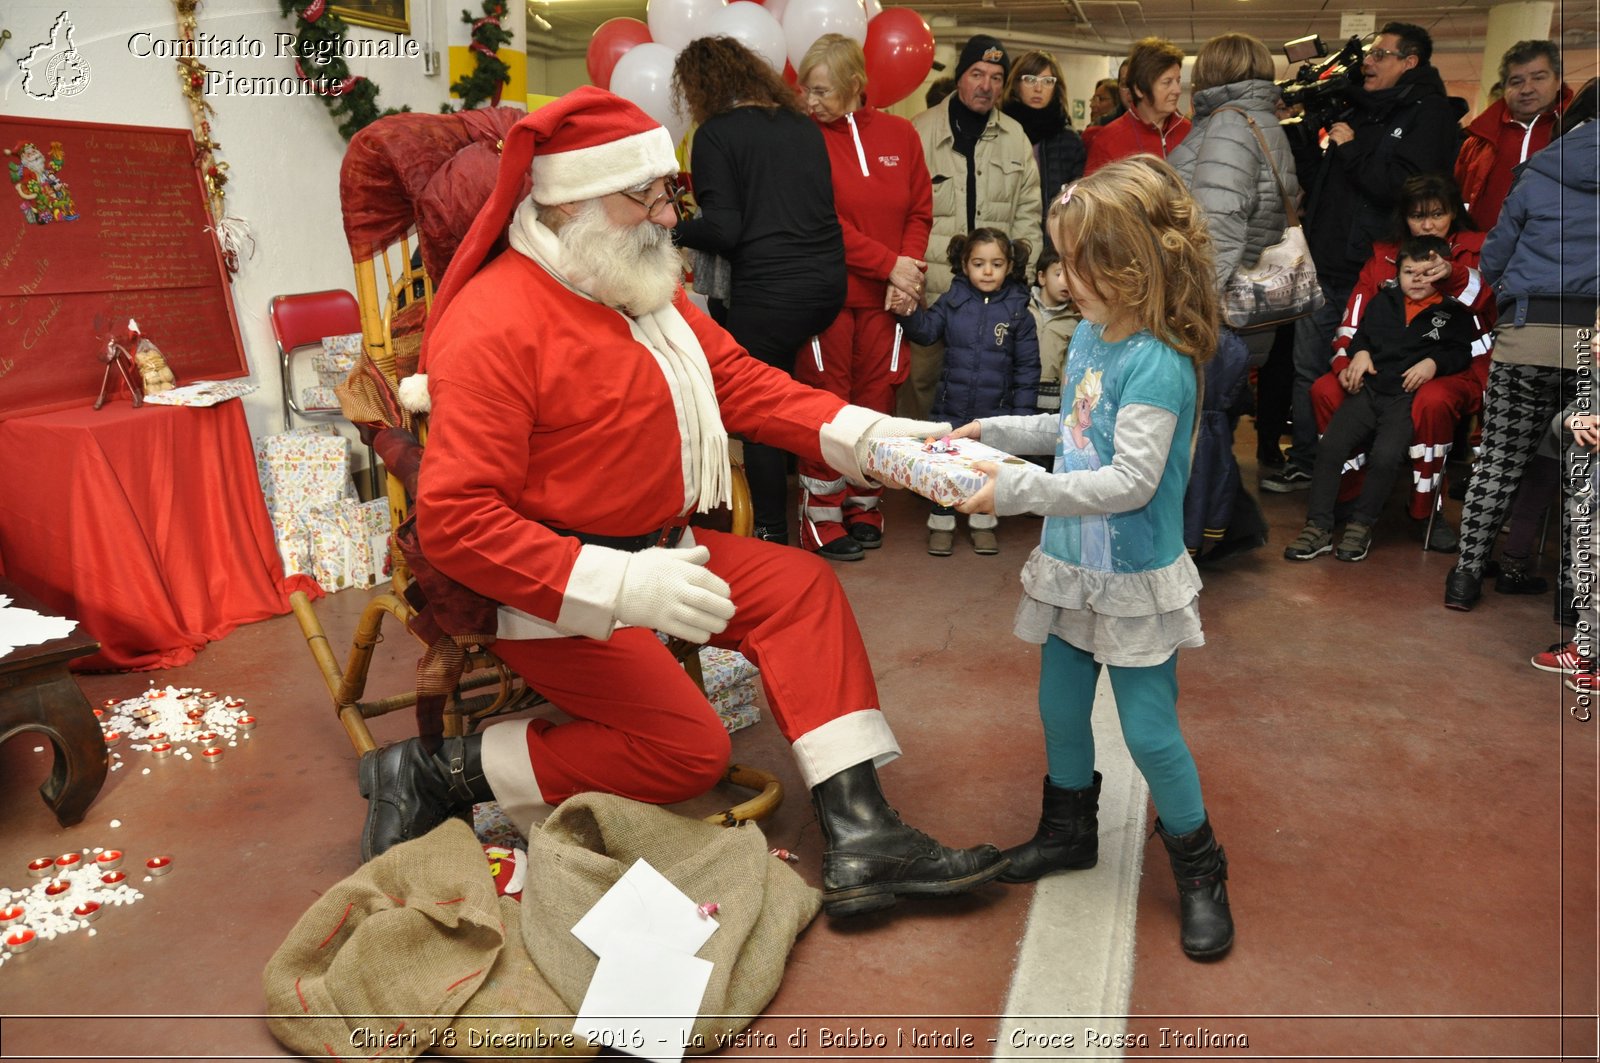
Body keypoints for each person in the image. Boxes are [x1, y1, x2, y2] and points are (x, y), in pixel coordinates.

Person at [359, 87, 1011, 920]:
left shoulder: (634, 287)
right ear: (570, 202)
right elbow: (458, 522)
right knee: (686, 750)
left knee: (802, 590)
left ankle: (863, 835)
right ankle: (437, 768)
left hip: (662, 548)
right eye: (651, 195)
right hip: (551, 587)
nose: (672, 216)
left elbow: (740, 383)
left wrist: (879, 439)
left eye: (673, 193)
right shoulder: (493, 323)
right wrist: (623, 588)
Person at [948, 157, 1232, 960]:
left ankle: (1202, 869)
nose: (1061, 277)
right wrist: (993, 433)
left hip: (1133, 575)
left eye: (1077, 262)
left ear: (1130, 269)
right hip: (1072, 564)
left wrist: (1012, 492)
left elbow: (1129, 482)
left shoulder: (1160, 361)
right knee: (1060, 709)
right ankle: (1068, 832)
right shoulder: (1093, 339)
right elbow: (1072, 433)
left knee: (1149, 733)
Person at [1272, 22, 1463, 495]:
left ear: (1409, 61)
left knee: (1370, 374)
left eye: (1381, 55)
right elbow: (1322, 181)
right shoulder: (1363, 111)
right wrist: (1305, 129)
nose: (1368, 63)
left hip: (1374, 271)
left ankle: (1354, 472)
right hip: (1324, 259)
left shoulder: (1428, 115)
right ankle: (1306, 460)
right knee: (1308, 368)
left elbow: (1397, 190)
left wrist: (1352, 147)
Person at [670, 37, 846, 546]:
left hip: (772, 290)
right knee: (784, 387)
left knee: (758, 409)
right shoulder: (800, 125)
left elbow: (724, 229)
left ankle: (771, 530)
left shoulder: (716, 134)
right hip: (825, 284)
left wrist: (673, 230)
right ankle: (802, 516)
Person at [1446, 82, 1600, 612]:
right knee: (1584, 473)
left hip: (1524, 340)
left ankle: (1463, 581)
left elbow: (1493, 259)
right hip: (1595, 352)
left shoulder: (1536, 172)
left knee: (1499, 462)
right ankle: (1571, 596)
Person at [793, 34, 933, 561]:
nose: (810, 100)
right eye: (806, 89)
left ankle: (864, 503)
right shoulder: (803, 141)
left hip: (889, 301)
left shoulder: (900, 134)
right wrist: (889, 266)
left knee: (878, 401)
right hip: (829, 298)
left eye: (822, 90)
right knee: (828, 404)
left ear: (855, 86)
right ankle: (821, 519)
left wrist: (907, 277)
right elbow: (821, 223)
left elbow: (919, 211)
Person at [1306, 175, 1494, 551]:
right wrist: (1350, 364)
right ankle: (1349, 491)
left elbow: (1486, 316)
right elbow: (1354, 323)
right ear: (1403, 218)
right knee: (1326, 387)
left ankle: (1427, 508)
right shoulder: (1383, 257)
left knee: (1433, 401)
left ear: (1454, 212)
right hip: (1384, 371)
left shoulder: (1477, 250)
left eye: (1437, 214)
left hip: (1458, 366)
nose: (1427, 224)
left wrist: (1434, 363)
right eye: (1417, 216)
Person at [1168, 32, 1301, 557]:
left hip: (1214, 312)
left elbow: (1217, 230)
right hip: (1244, 314)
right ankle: (1219, 528)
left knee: (1197, 433)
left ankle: (1191, 540)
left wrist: (1188, 312)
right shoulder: (1260, 120)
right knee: (1214, 426)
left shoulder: (1227, 125)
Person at [1283, 235, 1477, 562]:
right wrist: (1358, 354)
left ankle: (1362, 524)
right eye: (1408, 273)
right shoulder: (1382, 301)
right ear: (1396, 274)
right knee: (1330, 446)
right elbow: (1361, 337)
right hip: (1369, 390)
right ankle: (1318, 526)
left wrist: (1434, 364)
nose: (1416, 281)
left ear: (1440, 274)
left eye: (1425, 274)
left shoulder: (1452, 312)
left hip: (1404, 399)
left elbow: (1461, 353)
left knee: (1386, 456)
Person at [905, 35, 1042, 420]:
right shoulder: (919, 132)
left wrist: (1020, 279)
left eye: (997, 77)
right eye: (977, 74)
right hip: (932, 297)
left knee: (987, 393)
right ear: (960, 76)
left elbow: (1029, 215)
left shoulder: (1016, 138)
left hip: (995, 300)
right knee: (922, 394)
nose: (986, 86)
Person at [898, 228, 1039, 555]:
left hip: (995, 414)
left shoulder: (1019, 311)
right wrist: (905, 311)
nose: (988, 271)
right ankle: (941, 525)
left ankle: (983, 524)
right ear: (965, 265)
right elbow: (926, 331)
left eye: (996, 263)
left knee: (985, 472)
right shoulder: (953, 301)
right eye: (979, 263)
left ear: (1009, 266)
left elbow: (1027, 369)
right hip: (950, 409)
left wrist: (1021, 418)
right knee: (944, 469)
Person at [1455, 40, 1572, 231]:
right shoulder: (1477, 142)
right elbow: (1458, 203)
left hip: (1558, 254)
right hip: (1483, 253)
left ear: (1558, 81)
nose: (1526, 89)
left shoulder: (1579, 133)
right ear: (1505, 87)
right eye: (1516, 81)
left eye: (1538, 78)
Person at [1001, 50, 1086, 246]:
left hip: (1055, 245)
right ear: (1016, 85)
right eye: (1030, 79)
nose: (1038, 88)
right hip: (1003, 244)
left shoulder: (1069, 141)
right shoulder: (1000, 133)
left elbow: (1077, 206)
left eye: (1048, 81)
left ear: (1056, 88)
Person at [1083, 38, 1189, 174]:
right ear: (1139, 89)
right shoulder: (1108, 141)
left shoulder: (1190, 133)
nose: (1177, 90)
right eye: (1167, 82)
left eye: (1178, 81)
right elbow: (1095, 194)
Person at [1029, 245, 1079, 418]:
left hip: (1051, 401)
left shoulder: (1075, 321)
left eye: (1073, 276)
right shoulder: (1021, 309)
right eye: (1058, 274)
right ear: (1042, 277)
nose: (1066, 282)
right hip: (1019, 392)